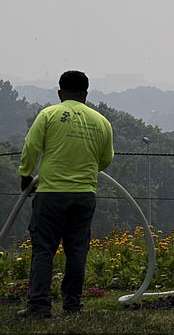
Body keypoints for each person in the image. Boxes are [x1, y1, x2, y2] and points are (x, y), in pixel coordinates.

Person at [17, 70, 114, 318]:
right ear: (86, 94)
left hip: (50, 195)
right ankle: (72, 304)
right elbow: (105, 160)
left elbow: (31, 147)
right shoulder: (101, 121)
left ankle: (39, 306)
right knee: (77, 250)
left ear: (60, 92)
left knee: (43, 250)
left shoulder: (49, 114)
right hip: (84, 196)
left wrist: (26, 176)